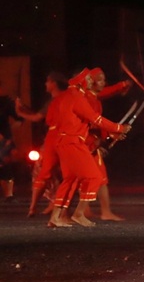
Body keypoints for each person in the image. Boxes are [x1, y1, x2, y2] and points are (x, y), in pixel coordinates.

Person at [48, 69, 131, 227]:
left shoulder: (68, 95)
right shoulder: (77, 97)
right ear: (81, 81)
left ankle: (55, 217)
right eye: (88, 79)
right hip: (73, 142)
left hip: (65, 141)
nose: (91, 81)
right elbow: (95, 119)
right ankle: (79, 214)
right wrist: (119, 128)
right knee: (95, 177)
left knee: (70, 179)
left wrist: (111, 133)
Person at [16, 72, 69, 216]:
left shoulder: (57, 100)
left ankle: (37, 206)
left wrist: (20, 113)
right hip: (65, 139)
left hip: (56, 139)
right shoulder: (62, 99)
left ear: (53, 83)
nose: (45, 84)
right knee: (61, 173)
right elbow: (42, 116)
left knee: (44, 172)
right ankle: (53, 204)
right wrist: (24, 110)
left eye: (48, 82)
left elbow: (37, 118)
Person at [0, 80, 21, 201]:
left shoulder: (5, 102)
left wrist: (10, 131)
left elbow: (19, 118)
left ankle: (9, 195)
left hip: (3, 139)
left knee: (4, 164)